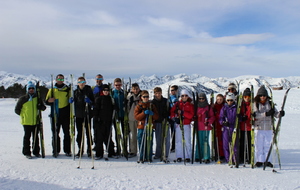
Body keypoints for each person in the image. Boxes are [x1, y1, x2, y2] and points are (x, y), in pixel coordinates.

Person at [253, 85, 284, 167]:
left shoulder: (270, 104)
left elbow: (275, 114)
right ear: (258, 96)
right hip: (258, 127)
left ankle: (267, 160)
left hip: (268, 127)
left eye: (264, 95)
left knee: (267, 145)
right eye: (261, 95)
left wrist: (280, 114)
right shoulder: (255, 104)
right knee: (259, 145)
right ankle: (259, 160)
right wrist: (265, 114)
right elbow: (255, 115)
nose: (262, 97)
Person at [15, 81, 46, 159]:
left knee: (36, 137)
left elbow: (43, 107)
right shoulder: (23, 99)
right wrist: (23, 115)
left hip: (36, 121)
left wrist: (40, 107)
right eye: (30, 88)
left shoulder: (37, 98)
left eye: (32, 88)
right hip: (26, 121)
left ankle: (36, 151)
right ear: (27, 89)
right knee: (27, 137)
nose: (31, 90)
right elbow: (17, 110)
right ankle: (27, 152)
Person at [45, 74, 71, 157]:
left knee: (66, 133)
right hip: (55, 113)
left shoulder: (67, 89)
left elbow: (71, 100)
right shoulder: (52, 90)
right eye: (59, 79)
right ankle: (56, 150)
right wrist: (49, 101)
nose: (60, 80)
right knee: (55, 133)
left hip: (65, 113)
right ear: (56, 80)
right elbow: (46, 101)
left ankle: (67, 150)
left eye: (62, 79)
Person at [70, 77, 94, 158]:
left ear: (85, 82)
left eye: (83, 82)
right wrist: (71, 101)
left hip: (87, 115)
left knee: (88, 133)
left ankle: (89, 150)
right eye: (80, 82)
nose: (82, 83)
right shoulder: (75, 92)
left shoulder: (88, 91)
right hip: (78, 115)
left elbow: (93, 102)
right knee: (80, 134)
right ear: (78, 83)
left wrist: (90, 101)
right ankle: (80, 149)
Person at [134, 90, 159, 162]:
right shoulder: (139, 106)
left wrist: (152, 114)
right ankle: (142, 156)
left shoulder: (151, 105)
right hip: (141, 126)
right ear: (141, 97)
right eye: (144, 97)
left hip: (149, 126)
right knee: (141, 141)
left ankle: (149, 156)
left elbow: (156, 116)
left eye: (147, 97)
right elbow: (137, 117)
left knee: (149, 142)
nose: (146, 98)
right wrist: (144, 113)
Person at [170, 89, 194, 163]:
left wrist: (183, 113)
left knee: (187, 140)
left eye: (186, 95)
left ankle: (187, 156)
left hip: (186, 124)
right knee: (178, 141)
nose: (184, 97)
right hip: (178, 124)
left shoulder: (190, 105)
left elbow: (191, 115)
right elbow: (172, 112)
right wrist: (174, 118)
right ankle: (179, 155)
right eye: (183, 95)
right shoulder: (177, 104)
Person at [93, 84, 116, 159]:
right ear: (102, 91)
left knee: (108, 137)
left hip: (108, 120)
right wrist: (96, 119)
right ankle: (99, 154)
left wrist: (115, 108)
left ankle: (111, 152)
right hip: (100, 121)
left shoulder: (110, 99)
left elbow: (113, 108)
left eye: (107, 90)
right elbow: (96, 110)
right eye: (104, 90)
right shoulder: (98, 99)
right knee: (99, 138)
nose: (106, 92)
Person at [195, 93, 215, 163]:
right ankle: (198, 156)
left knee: (205, 142)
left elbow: (212, 116)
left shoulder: (208, 107)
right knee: (198, 142)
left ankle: (206, 156)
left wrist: (209, 121)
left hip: (206, 126)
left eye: (202, 98)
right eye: (200, 99)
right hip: (198, 126)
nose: (201, 100)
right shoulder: (196, 106)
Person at [219, 92, 237, 163]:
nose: (230, 102)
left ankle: (234, 158)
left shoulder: (235, 108)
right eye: (228, 100)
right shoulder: (224, 108)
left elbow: (239, 117)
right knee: (226, 144)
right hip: (226, 128)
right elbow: (220, 118)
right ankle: (228, 159)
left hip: (233, 127)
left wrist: (240, 118)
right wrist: (223, 122)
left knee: (234, 144)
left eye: (231, 100)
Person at [151, 87, 169, 160]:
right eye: (156, 93)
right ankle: (158, 154)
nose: (158, 95)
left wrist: (167, 116)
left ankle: (165, 153)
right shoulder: (153, 102)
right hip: (157, 121)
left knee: (166, 138)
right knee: (158, 139)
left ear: (161, 93)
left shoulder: (165, 101)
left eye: (159, 93)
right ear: (154, 94)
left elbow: (168, 109)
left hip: (165, 121)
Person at [127, 83, 141, 157]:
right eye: (134, 89)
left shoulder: (142, 96)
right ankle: (133, 150)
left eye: (136, 89)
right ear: (132, 89)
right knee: (133, 135)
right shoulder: (130, 97)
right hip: (132, 118)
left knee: (141, 135)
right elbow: (127, 107)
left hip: (140, 118)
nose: (135, 90)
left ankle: (142, 149)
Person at [112, 78, 126, 156]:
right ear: (114, 85)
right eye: (116, 85)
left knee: (125, 133)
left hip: (123, 115)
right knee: (117, 133)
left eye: (119, 85)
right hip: (116, 115)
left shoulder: (124, 93)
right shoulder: (113, 93)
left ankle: (124, 148)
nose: (118, 86)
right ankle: (118, 148)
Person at [239, 88, 252, 164]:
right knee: (242, 142)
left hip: (249, 127)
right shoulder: (241, 105)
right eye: (245, 97)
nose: (247, 98)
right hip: (242, 127)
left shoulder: (252, 105)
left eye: (248, 97)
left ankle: (249, 157)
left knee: (249, 143)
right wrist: (241, 118)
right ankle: (242, 157)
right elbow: (238, 115)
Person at [213, 94, 225, 161]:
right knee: (217, 139)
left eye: (220, 99)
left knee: (222, 140)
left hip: (222, 125)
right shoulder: (214, 106)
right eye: (218, 99)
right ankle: (217, 153)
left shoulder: (224, 106)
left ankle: (222, 154)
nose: (219, 101)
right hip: (216, 125)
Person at [168, 85, 179, 152]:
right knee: (171, 132)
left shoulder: (179, 98)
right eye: (172, 90)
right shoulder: (169, 99)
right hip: (170, 117)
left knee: (176, 132)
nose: (173, 91)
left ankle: (174, 146)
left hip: (176, 117)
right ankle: (171, 146)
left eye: (174, 90)